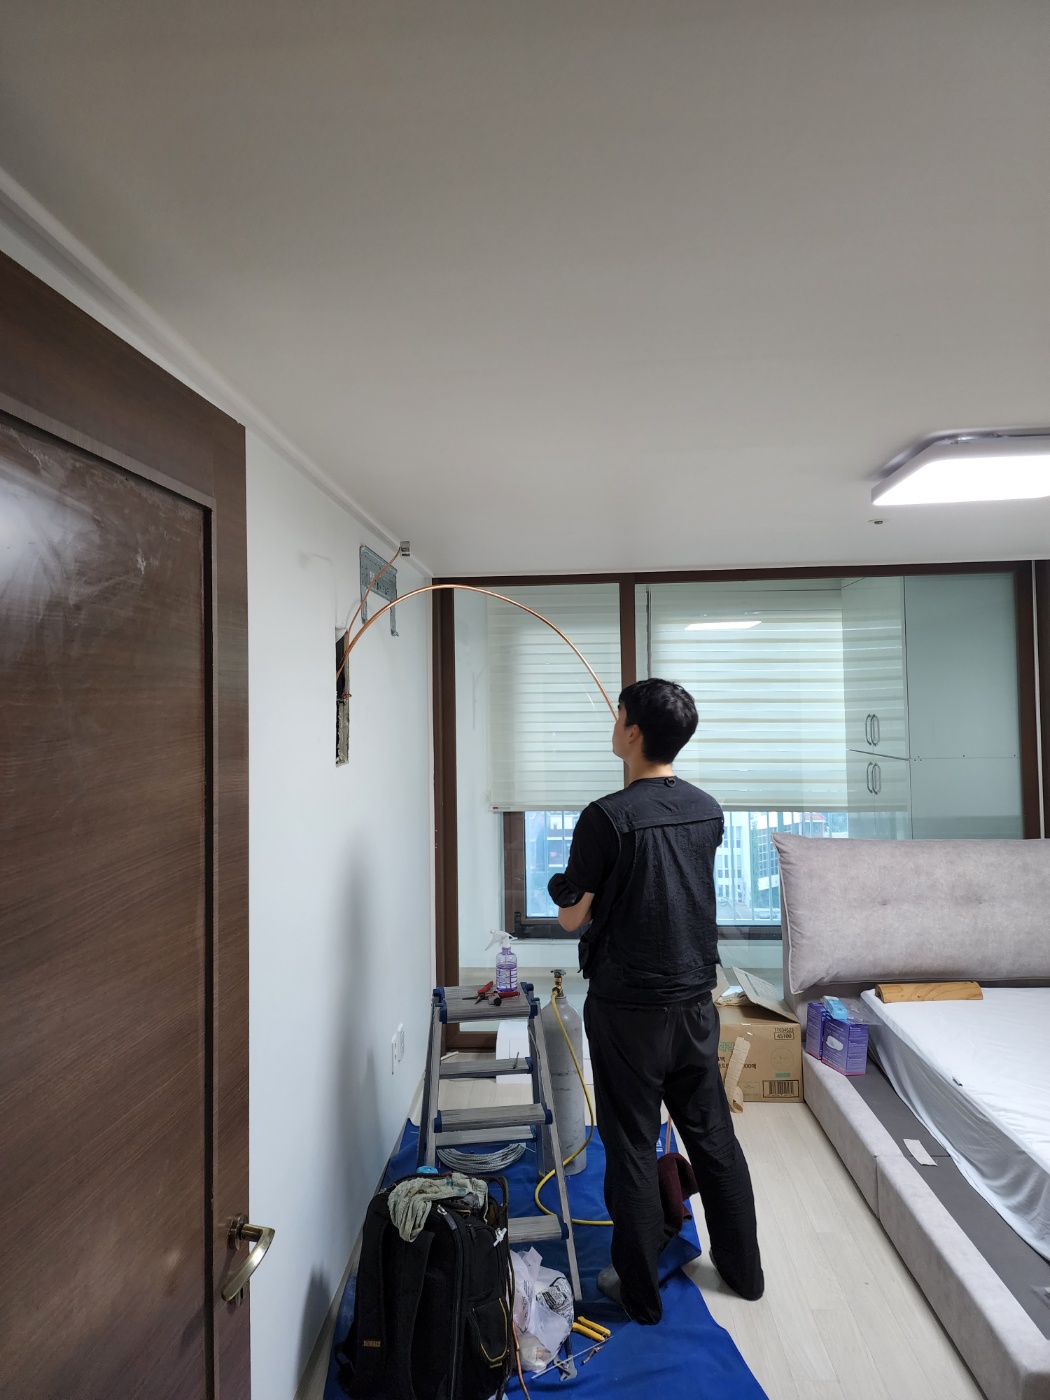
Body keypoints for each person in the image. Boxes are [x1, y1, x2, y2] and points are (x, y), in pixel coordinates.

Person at [547, 677, 764, 1324]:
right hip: (695, 1003)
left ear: (633, 732)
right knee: (714, 1138)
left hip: (627, 1011)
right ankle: (745, 1274)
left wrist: (566, 886)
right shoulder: (707, 809)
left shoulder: (605, 817)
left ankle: (640, 1296)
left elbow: (571, 918)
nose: (613, 723)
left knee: (634, 1148)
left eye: (618, 715)